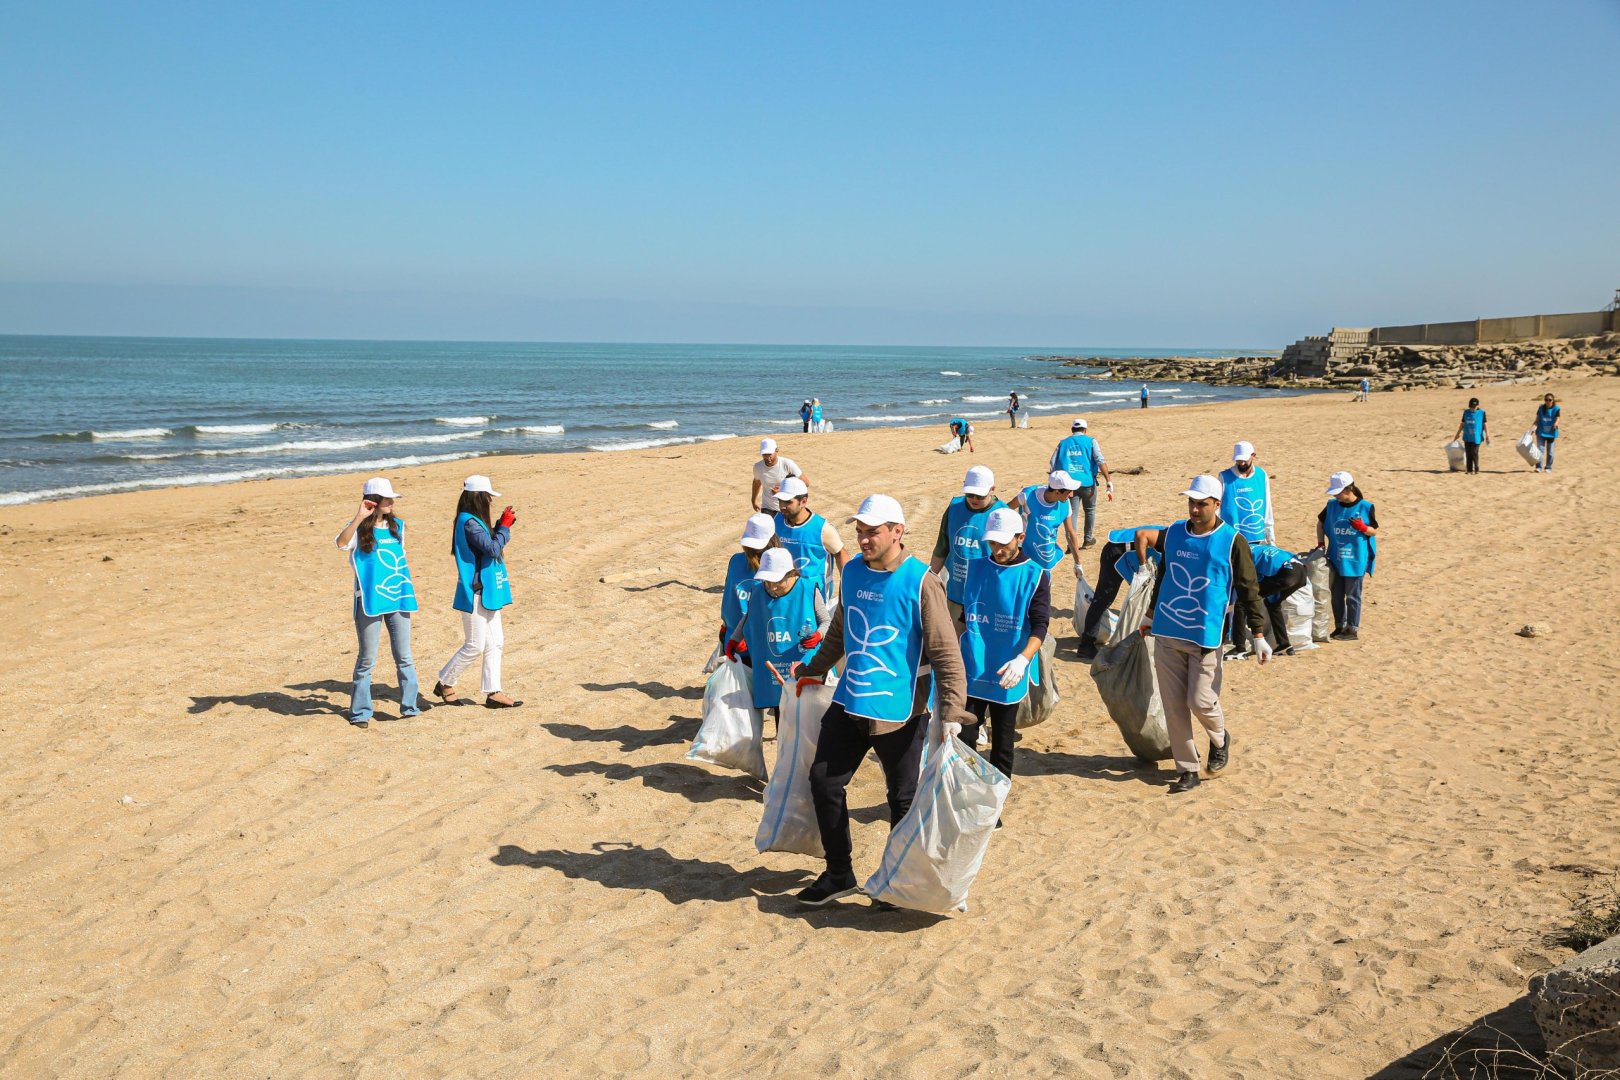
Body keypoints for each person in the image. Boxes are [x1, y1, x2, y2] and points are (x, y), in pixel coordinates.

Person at [789, 494, 973, 906]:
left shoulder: (922, 581)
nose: (864, 539)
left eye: (872, 531)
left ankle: (897, 879)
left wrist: (953, 712)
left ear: (897, 532)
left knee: (902, 799)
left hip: (901, 710)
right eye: (860, 531)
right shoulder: (852, 571)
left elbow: (946, 651)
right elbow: (839, 631)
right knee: (824, 781)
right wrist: (813, 669)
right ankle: (839, 873)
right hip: (851, 698)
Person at [1136, 475, 1270, 794]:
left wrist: (1259, 633)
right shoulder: (1173, 534)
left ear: (1216, 505)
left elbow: (1249, 588)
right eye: (1191, 503)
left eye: (1201, 504)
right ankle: (1188, 769)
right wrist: (1150, 614)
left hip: (1205, 636)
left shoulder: (1231, 540)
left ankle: (1220, 738)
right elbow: (1165, 577)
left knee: (1200, 701)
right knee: (1173, 705)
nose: (1195, 509)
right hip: (1168, 629)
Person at [958, 507, 1051, 792]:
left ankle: (994, 801)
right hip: (973, 669)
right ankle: (966, 794)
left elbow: (1040, 625)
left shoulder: (1035, 575)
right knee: (965, 738)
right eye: (993, 543)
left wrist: (1023, 660)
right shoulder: (975, 568)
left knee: (1002, 741)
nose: (997, 550)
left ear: (1020, 537)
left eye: (1004, 543)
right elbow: (965, 620)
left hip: (1008, 671)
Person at [335, 477, 423, 729]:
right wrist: (358, 517)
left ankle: (409, 707)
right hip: (369, 601)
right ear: (373, 501)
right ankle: (361, 712)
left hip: (398, 597)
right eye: (387, 498)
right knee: (367, 659)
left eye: (392, 498)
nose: (392, 502)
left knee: (404, 655)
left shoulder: (399, 527)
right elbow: (341, 544)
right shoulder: (359, 528)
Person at [432, 475, 520, 709]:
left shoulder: (472, 521)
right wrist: (504, 528)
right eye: (488, 496)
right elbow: (492, 549)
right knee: (474, 645)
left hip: (486, 590)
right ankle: (445, 682)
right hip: (475, 592)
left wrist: (500, 524)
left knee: (497, 642)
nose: (491, 500)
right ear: (479, 497)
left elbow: (486, 542)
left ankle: (493, 692)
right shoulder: (469, 522)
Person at [725, 547, 833, 717]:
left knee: (809, 712)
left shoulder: (808, 589)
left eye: (776, 581)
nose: (772, 587)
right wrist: (734, 638)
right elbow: (748, 616)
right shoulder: (759, 591)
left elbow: (826, 621)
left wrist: (819, 634)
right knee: (780, 707)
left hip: (804, 663)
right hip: (774, 666)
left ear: (791, 573)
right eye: (767, 581)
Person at [1076, 523, 1165, 661]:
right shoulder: (1174, 537)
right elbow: (1140, 535)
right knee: (1103, 599)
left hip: (1130, 554)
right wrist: (1142, 568)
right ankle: (1086, 645)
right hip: (1117, 552)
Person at [929, 465, 1006, 618]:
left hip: (987, 594)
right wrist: (929, 579)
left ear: (992, 489)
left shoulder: (1002, 514)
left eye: (980, 496)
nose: (974, 499)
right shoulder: (954, 508)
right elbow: (942, 547)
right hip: (956, 592)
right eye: (970, 494)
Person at [1316, 471, 1377, 641]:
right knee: (1336, 596)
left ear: (1349, 489)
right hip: (1336, 558)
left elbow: (1374, 531)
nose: (1336, 496)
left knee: (1352, 596)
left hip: (1355, 560)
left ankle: (1352, 629)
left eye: (1338, 492)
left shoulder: (1366, 507)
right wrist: (1321, 543)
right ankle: (1339, 626)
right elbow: (1320, 523)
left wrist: (1363, 527)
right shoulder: (1332, 505)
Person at [1227, 543, 1307, 659]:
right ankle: (1284, 645)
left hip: (1286, 572)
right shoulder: (1253, 549)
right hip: (1300, 573)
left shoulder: (1241, 555)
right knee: (1273, 604)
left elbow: (1245, 580)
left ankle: (1240, 649)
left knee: (1241, 602)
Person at [772, 476, 847, 596]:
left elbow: (840, 553)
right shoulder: (777, 520)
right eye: (780, 501)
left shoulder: (822, 528)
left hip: (814, 597)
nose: (782, 506)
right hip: (784, 594)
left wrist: (848, 583)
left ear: (803, 501)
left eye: (788, 502)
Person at [1048, 418, 1113, 547]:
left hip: (1068, 486)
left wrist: (1053, 484)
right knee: (1090, 510)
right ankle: (1088, 539)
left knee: (1072, 513)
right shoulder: (1091, 441)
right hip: (1087, 482)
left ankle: (1071, 543)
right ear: (1085, 430)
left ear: (1072, 429)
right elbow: (1100, 460)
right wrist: (1108, 479)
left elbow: (1052, 464)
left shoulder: (1063, 443)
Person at [1005, 469, 1082, 577]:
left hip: (1046, 556)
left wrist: (1078, 563)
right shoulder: (1028, 496)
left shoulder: (1065, 504)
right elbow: (1005, 510)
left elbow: (1070, 532)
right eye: (1069, 491)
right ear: (1057, 492)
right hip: (1024, 554)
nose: (1071, 495)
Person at [720, 514, 779, 650]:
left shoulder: (778, 567)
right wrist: (725, 627)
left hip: (764, 644)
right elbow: (730, 600)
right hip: (733, 641)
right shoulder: (735, 561)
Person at [1218, 441, 1276, 545]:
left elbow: (1267, 506)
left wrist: (1270, 536)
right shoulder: (1224, 477)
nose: (1241, 463)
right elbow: (1216, 508)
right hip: (1232, 538)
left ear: (1253, 456)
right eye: (1238, 460)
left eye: (1244, 460)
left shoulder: (1261, 475)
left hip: (1256, 536)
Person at [751, 439, 805, 514]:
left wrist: (783, 490)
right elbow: (757, 482)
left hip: (788, 509)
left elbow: (806, 483)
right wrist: (753, 500)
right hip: (768, 508)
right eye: (764, 454)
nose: (767, 457)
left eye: (770, 454)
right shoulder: (758, 467)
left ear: (777, 450)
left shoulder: (787, 464)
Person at [1451, 397, 1490, 474]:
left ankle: (1476, 468)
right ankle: (1469, 470)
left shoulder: (1482, 413)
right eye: (1472, 407)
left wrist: (1487, 435)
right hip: (1467, 436)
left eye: (1475, 407)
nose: (1473, 408)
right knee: (1468, 453)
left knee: (1474, 452)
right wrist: (1457, 434)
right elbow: (1462, 424)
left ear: (1478, 406)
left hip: (1477, 437)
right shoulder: (1466, 412)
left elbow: (1485, 424)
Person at [1534, 393, 1560, 473]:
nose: (1548, 401)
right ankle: (1538, 467)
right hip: (1541, 432)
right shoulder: (1541, 408)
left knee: (1550, 452)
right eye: (1546, 400)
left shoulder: (1556, 408)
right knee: (1540, 450)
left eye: (1549, 400)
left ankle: (1548, 467)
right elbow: (1537, 419)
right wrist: (1532, 428)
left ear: (1553, 400)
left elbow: (1557, 418)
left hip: (1551, 433)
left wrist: (1555, 424)